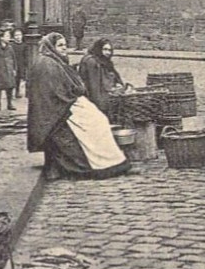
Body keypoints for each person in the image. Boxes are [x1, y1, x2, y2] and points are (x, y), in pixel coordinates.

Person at [27, 32, 131, 181]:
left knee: (99, 119)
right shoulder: (46, 64)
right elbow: (52, 92)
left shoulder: (56, 60)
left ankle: (111, 160)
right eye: (60, 45)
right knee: (95, 122)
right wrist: (73, 97)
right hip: (57, 108)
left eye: (65, 45)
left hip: (65, 102)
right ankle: (100, 163)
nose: (64, 48)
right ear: (52, 46)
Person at [78, 38, 124, 114]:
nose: (108, 53)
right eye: (105, 49)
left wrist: (118, 84)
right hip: (93, 99)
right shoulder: (92, 61)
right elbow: (94, 86)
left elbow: (115, 77)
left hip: (106, 94)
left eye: (110, 50)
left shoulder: (105, 61)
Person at [0, 27, 17, 111]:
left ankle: (9, 103)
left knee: (10, 87)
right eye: (7, 36)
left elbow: (14, 59)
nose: (8, 38)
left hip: (9, 70)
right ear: (1, 38)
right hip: (0, 70)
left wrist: (14, 69)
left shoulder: (10, 48)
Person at [11, 27, 26, 98]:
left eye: (19, 35)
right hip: (14, 64)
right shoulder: (12, 46)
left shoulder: (25, 45)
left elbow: (26, 56)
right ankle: (13, 92)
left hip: (22, 64)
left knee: (21, 78)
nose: (18, 37)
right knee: (14, 79)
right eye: (16, 35)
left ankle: (19, 91)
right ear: (13, 37)